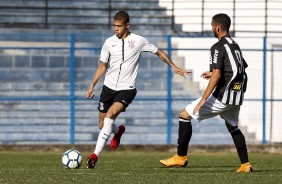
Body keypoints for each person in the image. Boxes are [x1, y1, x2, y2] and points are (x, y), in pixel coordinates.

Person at [85, 10, 189, 169]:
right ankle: (118, 131)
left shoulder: (138, 41)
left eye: (119, 26)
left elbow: (159, 52)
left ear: (127, 25)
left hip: (127, 88)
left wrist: (174, 66)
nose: (116, 29)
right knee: (102, 123)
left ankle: (94, 155)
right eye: (114, 26)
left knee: (111, 115)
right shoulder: (109, 42)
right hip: (108, 87)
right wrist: (92, 85)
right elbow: (103, 65)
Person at [160, 13, 253, 173]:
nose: (212, 29)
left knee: (184, 114)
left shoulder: (217, 47)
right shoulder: (234, 44)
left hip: (224, 94)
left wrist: (204, 99)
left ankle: (180, 157)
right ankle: (245, 165)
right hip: (237, 93)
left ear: (217, 28)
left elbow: (217, 74)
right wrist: (218, 73)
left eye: (212, 26)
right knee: (233, 126)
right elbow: (241, 66)